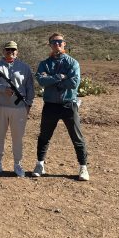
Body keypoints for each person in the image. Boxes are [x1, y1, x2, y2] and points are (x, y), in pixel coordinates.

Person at [33, 32, 90, 181]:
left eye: (60, 42)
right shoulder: (44, 63)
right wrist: (59, 77)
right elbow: (41, 81)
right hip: (50, 105)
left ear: (64, 43)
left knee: (77, 137)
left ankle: (83, 167)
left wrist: (52, 81)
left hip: (68, 105)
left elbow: (74, 83)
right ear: (50, 45)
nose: (57, 44)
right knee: (44, 136)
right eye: (54, 42)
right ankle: (40, 164)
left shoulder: (72, 63)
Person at [0, 41, 35, 177]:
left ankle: (17, 164)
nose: (10, 52)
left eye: (13, 50)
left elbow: (30, 87)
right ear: (4, 51)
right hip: (0, 107)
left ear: (17, 51)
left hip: (19, 108)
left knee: (18, 137)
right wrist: (3, 89)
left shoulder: (24, 67)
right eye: (8, 50)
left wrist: (29, 104)